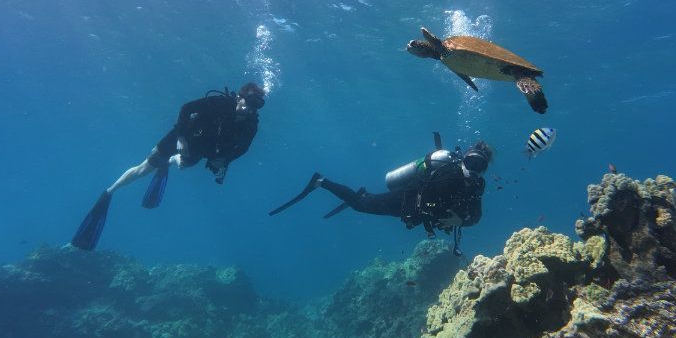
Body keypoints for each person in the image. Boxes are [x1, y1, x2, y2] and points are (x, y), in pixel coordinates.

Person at [71, 82, 266, 251]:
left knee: (180, 165)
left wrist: (225, 161)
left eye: (256, 107)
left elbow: (244, 148)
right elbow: (186, 108)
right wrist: (181, 138)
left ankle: (171, 162)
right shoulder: (220, 103)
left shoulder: (251, 124)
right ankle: (110, 192)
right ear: (239, 97)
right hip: (184, 136)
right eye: (248, 103)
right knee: (144, 169)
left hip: (202, 149)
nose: (250, 109)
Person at [269, 135, 493, 256]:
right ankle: (320, 181)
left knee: (363, 203)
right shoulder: (448, 171)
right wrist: (450, 217)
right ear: (463, 159)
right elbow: (429, 196)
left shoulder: (475, 186)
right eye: (471, 162)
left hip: (415, 214)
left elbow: (477, 217)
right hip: (406, 200)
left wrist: (459, 220)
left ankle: (361, 194)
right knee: (360, 205)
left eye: (479, 167)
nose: (473, 169)